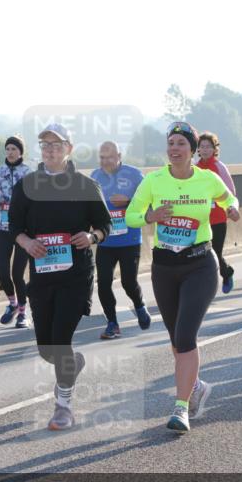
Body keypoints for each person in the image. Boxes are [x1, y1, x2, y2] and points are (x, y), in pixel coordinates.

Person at [126, 122, 239, 433]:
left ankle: (181, 408)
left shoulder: (207, 179)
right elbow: (131, 216)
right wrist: (150, 216)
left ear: (192, 150)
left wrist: (231, 209)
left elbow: (229, 198)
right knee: (177, 340)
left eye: (181, 144)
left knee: (186, 336)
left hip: (200, 264)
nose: (174, 148)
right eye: (171, 143)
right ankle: (197, 386)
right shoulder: (153, 181)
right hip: (164, 267)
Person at [10, 123, 111, 430]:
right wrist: (27, 243)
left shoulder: (85, 185)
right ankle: (72, 367)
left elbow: (105, 225)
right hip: (42, 275)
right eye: (45, 145)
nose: (50, 150)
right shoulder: (26, 186)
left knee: (61, 339)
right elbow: (14, 228)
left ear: (69, 148)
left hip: (76, 275)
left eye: (57, 145)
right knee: (46, 347)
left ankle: (63, 406)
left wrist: (90, 237)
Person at [91, 141, 151, 339]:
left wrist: (128, 201)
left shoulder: (134, 175)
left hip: (129, 240)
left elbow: (149, 203)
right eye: (102, 157)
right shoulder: (95, 177)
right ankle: (112, 323)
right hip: (106, 240)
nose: (105, 161)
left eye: (109, 157)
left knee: (128, 282)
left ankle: (140, 305)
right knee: (104, 283)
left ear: (119, 156)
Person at [0, 136, 31, 327]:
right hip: (3, 228)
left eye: (14, 149)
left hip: (23, 230)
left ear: (21, 152)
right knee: (2, 273)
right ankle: (12, 304)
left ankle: (22, 313)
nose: (10, 152)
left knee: (17, 274)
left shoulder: (28, 173)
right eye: (7, 149)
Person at [196, 132, 237, 293]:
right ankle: (204, 287)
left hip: (218, 219)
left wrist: (230, 208)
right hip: (200, 220)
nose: (205, 150)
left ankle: (226, 272)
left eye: (208, 147)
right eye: (202, 147)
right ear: (198, 149)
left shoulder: (220, 167)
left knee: (215, 253)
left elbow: (231, 191)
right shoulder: (194, 168)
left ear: (214, 149)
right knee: (200, 256)